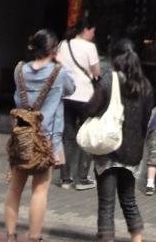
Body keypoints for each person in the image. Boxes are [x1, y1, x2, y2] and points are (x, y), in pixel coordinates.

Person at [5, 29, 76, 242]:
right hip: (47, 140)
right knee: (39, 191)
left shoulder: (20, 70)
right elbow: (71, 89)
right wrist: (61, 63)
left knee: (15, 188)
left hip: (22, 137)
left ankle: (10, 235)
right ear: (53, 49)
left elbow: (18, 101)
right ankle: (34, 237)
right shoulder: (58, 72)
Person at [84, 38, 152, 242]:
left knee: (106, 204)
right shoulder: (145, 85)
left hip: (109, 148)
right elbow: (145, 119)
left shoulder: (108, 81)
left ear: (114, 58)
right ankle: (137, 238)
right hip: (133, 151)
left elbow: (91, 108)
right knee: (129, 199)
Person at [56, 16, 100, 190]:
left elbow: (58, 65)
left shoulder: (63, 44)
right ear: (86, 29)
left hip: (66, 95)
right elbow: (96, 72)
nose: (93, 35)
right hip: (85, 96)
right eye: (93, 31)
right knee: (86, 135)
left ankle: (65, 178)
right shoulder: (90, 47)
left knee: (68, 137)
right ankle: (81, 178)